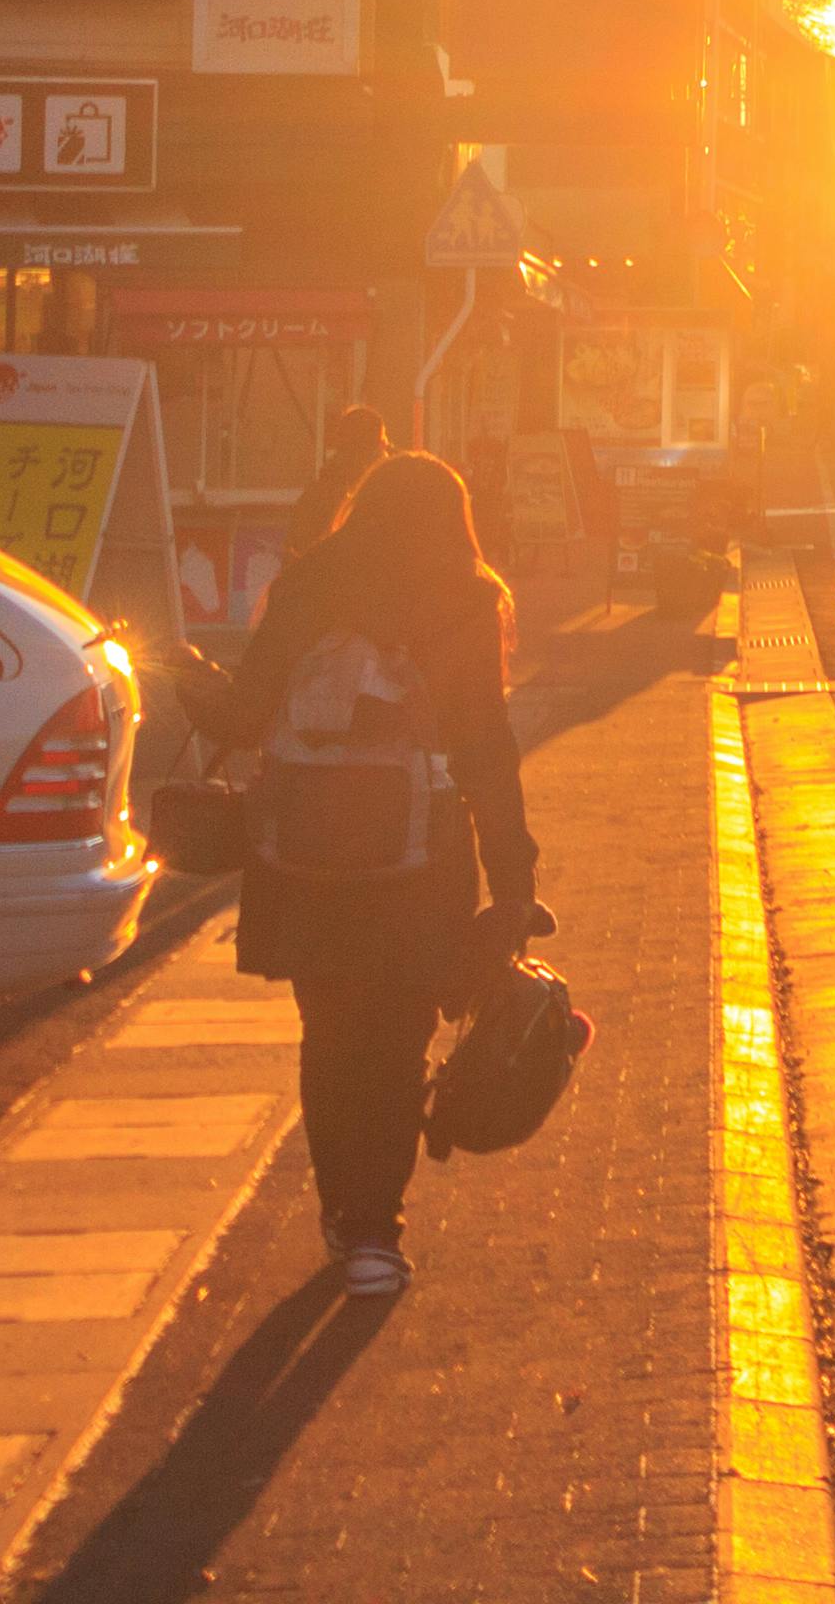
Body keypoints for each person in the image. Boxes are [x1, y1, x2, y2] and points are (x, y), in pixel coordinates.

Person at [183, 451, 539, 1300]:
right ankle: (379, 1226)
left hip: (303, 857)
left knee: (330, 1037)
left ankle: (342, 1212)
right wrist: (513, 877)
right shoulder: (467, 597)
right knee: (397, 1040)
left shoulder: (308, 586)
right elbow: (487, 752)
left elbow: (246, 710)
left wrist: (190, 681)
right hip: (420, 865)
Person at [284, 403, 395, 554]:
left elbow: (295, 550)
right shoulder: (383, 499)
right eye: (384, 443)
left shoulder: (314, 496)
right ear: (379, 446)